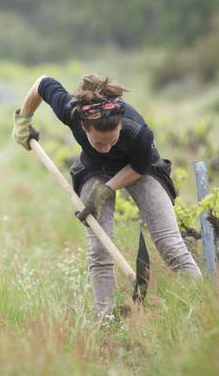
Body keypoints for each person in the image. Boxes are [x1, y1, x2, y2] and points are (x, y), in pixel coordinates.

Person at [13, 73, 201, 318]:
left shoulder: (137, 131)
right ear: (83, 126)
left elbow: (139, 167)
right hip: (94, 169)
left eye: (112, 141)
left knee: (171, 244)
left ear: (120, 124)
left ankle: (201, 308)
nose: (108, 147)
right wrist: (24, 119)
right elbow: (42, 83)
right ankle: (107, 319)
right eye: (100, 143)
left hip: (139, 168)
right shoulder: (72, 111)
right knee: (100, 251)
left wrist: (106, 190)